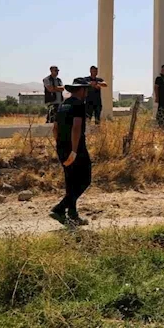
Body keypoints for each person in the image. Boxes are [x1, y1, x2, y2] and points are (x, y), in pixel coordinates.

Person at [49, 77, 92, 227]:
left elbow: (55, 128)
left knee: (71, 181)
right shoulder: (79, 105)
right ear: (81, 90)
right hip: (76, 148)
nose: (87, 93)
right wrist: (74, 150)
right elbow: (76, 128)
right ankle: (59, 209)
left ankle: (73, 215)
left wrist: (60, 146)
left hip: (61, 147)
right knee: (85, 179)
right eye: (86, 89)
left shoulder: (63, 105)